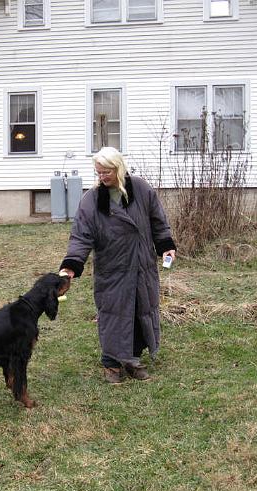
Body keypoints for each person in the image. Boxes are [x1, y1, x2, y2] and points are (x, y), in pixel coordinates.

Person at [59, 147, 176, 384]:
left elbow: (158, 221)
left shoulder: (142, 190)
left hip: (142, 265)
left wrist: (165, 245)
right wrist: (72, 265)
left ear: (119, 167)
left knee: (139, 310)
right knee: (112, 313)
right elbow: (81, 236)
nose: (102, 177)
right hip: (112, 268)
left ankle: (132, 359)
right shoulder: (91, 201)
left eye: (106, 172)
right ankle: (111, 363)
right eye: (98, 173)